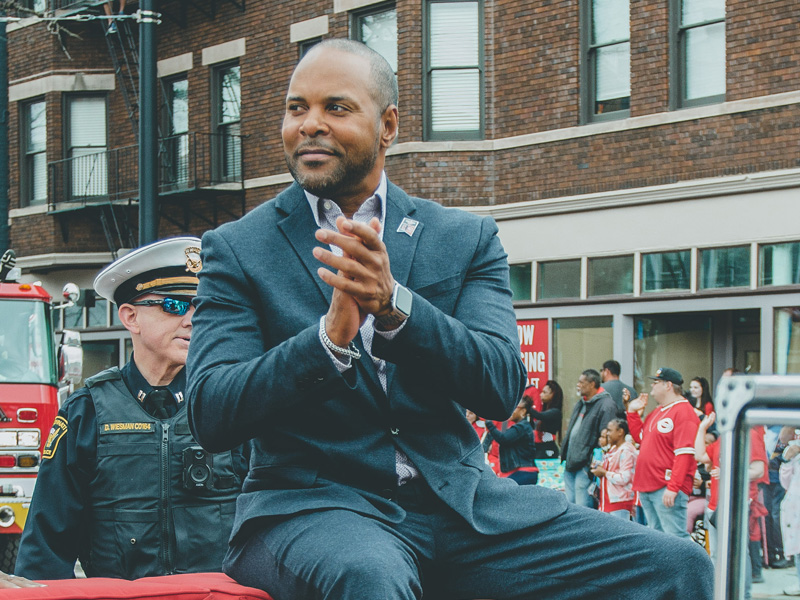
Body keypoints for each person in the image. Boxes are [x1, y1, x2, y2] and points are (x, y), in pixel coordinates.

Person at [185, 39, 713, 599]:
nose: (310, 124)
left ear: (387, 125)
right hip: (315, 509)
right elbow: (212, 412)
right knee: (371, 577)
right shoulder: (238, 248)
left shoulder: (463, 237)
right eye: (297, 108)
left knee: (676, 564)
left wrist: (395, 308)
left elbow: (498, 384)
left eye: (335, 107)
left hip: (465, 510)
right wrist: (327, 342)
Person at [16, 237, 247, 580]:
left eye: (201, 306)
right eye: (175, 305)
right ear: (130, 317)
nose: (192, 320)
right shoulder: (87, 411)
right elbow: (47, 545)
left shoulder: (229, 402)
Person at [626, 367, 700, 538]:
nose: (652, 386)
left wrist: (673, 487)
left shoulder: (684, 411)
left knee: (675, 537)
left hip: (665, 485)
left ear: (668, 385)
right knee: (658, 539)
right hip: (649, 483)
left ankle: (688, 566)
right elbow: (641, 438)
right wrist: (632, 413)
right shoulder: (659, 410)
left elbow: (684, 454)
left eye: (656, 383)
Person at [561, 369, 618, 507]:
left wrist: (590, 465)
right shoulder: (582, 402)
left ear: (592, 384)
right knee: (570, 507)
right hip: (571, 464)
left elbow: (606, 439)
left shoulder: (606, 405)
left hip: (585, 468)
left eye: (582, 382)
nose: (578, 385)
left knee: (582, 509)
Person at [484, 396, 538, 485]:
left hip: (524, 472)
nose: (510, 410)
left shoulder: (522, 427)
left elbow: (503, 439)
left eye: (514, 408)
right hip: (519, 472)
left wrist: (489, 423)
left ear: (523, 411)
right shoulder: (521, 426)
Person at [591, 418, 637, 518]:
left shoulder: (626, 451)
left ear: (620, 432)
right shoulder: (613, 449)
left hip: (619, 503)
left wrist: (604, 473)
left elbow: (625, 478)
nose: (607, 434)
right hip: (607, 501)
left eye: (610, 430)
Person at [779, 428, 800, 596]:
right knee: (798, 547)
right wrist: (787, 459)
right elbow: (785, 483)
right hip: (795, 506)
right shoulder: (794, 452)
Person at [528, 379, 563, 459]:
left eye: (544, 392)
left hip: (548, 451)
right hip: (538, 449)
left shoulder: (555, 412)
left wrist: (527, 405)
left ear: (553, 394)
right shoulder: (545, 411)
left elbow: (540, 416)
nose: (540, 395)